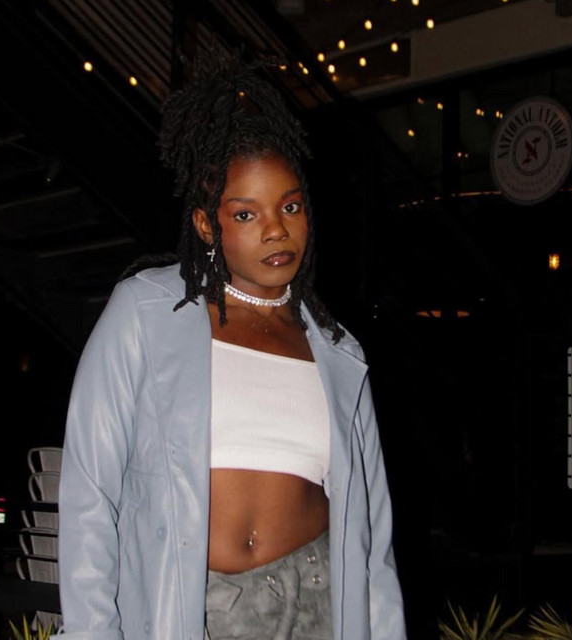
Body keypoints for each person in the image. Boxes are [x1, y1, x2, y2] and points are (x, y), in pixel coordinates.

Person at [55, 59, 406, 640]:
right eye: (246, 213)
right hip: (189, 608)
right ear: (204, 224)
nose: (276, 229)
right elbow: (90, 492)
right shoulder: (146, 313)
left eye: (290, 206)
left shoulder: (337, 351)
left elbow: (373, 541)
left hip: (318, 605)